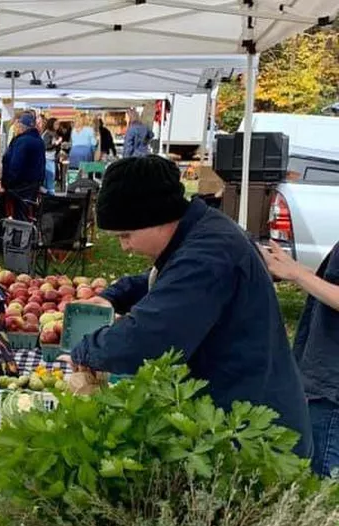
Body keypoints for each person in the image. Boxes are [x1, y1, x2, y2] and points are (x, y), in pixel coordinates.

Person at [66, 155, 312, 457]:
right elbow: (166, 278)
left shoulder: (208, 254)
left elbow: (146, 339)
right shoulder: (200, 234)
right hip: (240, 411)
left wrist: (86, 350)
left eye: (126, 235)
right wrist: (115, 295)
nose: (125, 247)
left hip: (254, 434)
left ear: (155, 218)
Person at [260, 240, 339, 476]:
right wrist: (295, 269)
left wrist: (296, 274)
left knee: (323, 490)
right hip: (323, 383)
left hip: (332, 394)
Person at [1, 111, 45, 220]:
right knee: (28, 213)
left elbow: (15, 166)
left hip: (20, 187)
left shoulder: (22, 141)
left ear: (21, 126)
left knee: (19, 216)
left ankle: (18, 235)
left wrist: (6, 183)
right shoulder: (39, 140)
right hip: (33, 185)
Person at [41, 116, 59, 194]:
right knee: (50, 179)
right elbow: (46, 146)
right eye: (56, 124)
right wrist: (56, 143)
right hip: (48, 158)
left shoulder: (50, 133)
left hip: (50, 158)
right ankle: (51, 197)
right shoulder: (47, 133)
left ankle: (48, 197)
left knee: (48, 180)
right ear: (51, 124)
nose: (58, 126)